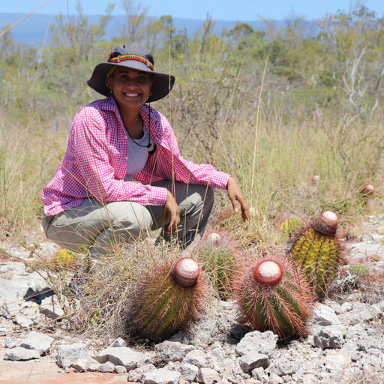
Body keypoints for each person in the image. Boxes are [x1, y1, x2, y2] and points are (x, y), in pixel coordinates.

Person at [41, 44, 248, 257]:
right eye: (124, 77)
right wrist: (162, 195)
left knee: (199, 194)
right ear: (110, 82)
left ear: (151, 85)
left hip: (118, 207)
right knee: (134, 218)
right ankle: (86, 282)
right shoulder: (91, 118)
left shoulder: (155, 122)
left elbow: (177, 169)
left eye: (141, 79)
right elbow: (103, 190)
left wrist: (225, 180)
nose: (133, 86)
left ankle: (166, 270)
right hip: (69, 215)